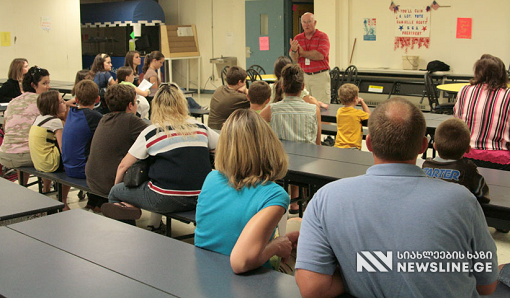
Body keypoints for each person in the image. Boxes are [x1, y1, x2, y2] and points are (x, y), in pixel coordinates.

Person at [295, 97, 499, 298]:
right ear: (423, 146)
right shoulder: (463, 201)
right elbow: (487, 285)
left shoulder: (325, 198)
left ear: (369, 143)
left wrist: (352, 273)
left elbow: (313, 288)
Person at [102, 83, 219, 230]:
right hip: (201, 197)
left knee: (116, 193)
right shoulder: (201, 128)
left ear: (156, 105)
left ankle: (128, 226)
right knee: (158, 179)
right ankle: (154, 224)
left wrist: (118, 187)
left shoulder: (152, 132)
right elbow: (223, 148)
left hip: (164, 199)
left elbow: (123, 165)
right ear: (182, 104)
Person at [195, 109, 298, 274]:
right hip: (248, 283)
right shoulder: (275, 196)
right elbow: (240, 262)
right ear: (269, 144)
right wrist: (277, 245)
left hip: (205, 274)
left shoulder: (211, 178)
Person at [86, 84, 147, 201]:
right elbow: (155, 136)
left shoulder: (104, 118)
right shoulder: (130, 120)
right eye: (136, 102)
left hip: (93, 180)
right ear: (130, 105)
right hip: (111, 184)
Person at [454, 54, 510, 171]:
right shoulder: (507, 95)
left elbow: (457, 121)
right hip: (499, 159)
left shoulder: (464, 91)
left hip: (465, 154)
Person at [0, 66, 51, 186]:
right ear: (33, 85)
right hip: (27, 157)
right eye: (44, 83)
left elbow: (5, 126)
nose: (48, 87)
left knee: (26, 143)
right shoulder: (42, 101)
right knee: (52, 146)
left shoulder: (14, 101)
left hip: (5, 154)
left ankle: (23, 186)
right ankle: (49, 189)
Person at [422, 118, 489, 204]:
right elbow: (483, 195)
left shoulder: (426, 165)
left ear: (434, 146)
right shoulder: (468, 169)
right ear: (468, 149)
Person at [61, 79, 103, 211]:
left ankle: (93, 202)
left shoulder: (71, 112)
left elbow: (68, 103)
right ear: (97, 99)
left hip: (67, 166)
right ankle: (100, 204)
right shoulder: (94, 116)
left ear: (76, 99)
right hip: (81, 170)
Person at [28, 90, 71, 209]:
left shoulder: (39, 118)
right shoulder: (56, 122)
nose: (65, 103)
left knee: (48, 146)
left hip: (38, 162)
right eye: (62, 102)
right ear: (53, 106)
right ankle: (63, 200)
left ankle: (46, 188)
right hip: (50, 164)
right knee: (70, 161)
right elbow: (64, 148)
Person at [260, 63, 321, 145]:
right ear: (303, 87)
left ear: (282, 86)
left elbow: (251, 123)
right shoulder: (314, 110)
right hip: (307, 157)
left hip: (281, 156)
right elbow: (318, 144)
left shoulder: (272, 109)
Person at [289, 12, 331, 104]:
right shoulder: (298, 38)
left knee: (322, 105)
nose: (306, 25)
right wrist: (294, 51)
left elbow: (320, 55)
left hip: (319, 76)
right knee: (304, 104)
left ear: (315, 23)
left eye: (309, 22)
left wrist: (302, 53)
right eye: (304, 22)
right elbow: (294, 58)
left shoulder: (323, 37)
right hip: (304, 76)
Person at [334, 83, 371, 150]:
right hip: (353, 147)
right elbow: (370, 115)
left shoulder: (339, 111)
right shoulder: (358, 113)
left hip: (338, 146)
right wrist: (362, 102)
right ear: (355, 98)